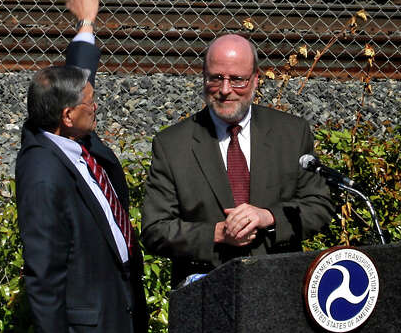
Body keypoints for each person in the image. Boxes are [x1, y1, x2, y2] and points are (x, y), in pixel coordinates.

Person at [16, 0, 149, 333]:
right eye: (92, 105)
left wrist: (87, 24)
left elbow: (79, 77)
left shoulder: (63, 131)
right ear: (69, 116)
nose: (98, 108)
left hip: (119, 319)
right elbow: (43, 273)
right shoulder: (42, 173)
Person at [141, 33, 334, 287]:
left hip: (279, 285)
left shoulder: (291, 134)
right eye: (216, 78)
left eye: (237, 80)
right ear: (203, 77)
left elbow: (319, 206)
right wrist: (218, 233)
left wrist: (268, 217)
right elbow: (155, 230)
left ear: (256, 80)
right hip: (207, 289)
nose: (225, 90)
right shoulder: (173, 145)